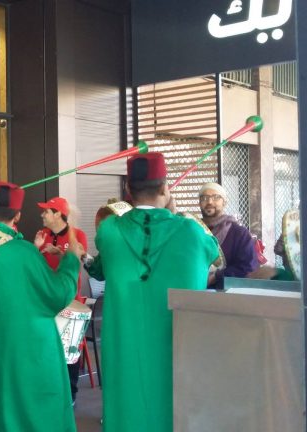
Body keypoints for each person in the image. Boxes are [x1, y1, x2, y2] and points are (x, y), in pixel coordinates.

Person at [89, 153, 219, 432]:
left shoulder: (110, 231)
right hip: (175, 348)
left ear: (128, 189)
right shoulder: (191, 231)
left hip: (125, 348)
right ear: (165, 188)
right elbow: (216, 257)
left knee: (128, 406)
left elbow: (101, 260)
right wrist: (175, 213)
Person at [0, 182, 84, 432]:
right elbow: (58, 295)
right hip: (29, 351)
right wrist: (70, 261)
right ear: (18, 216)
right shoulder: (26, 252)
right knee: (30, 412)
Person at [33, 196, 89, 406]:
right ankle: (49, 391)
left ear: (58, 214)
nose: (42, 215)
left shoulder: (77, 235)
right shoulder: (42, 235)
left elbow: (79, 259)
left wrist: (60, 253)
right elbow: (34, 267)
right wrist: (36, 248)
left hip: (70, 302)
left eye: (46, 211)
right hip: (45, 303)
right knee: (45, 350)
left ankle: (70, 395)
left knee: (70, 353)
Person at [199, 182, 259, 289]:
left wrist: (215, 277)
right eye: (204, 198)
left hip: (227, 294)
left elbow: (249, 267)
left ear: (224, 202)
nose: (209, 202)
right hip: (193, 292)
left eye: (216, 197)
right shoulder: (194, 230)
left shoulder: (239, 233)